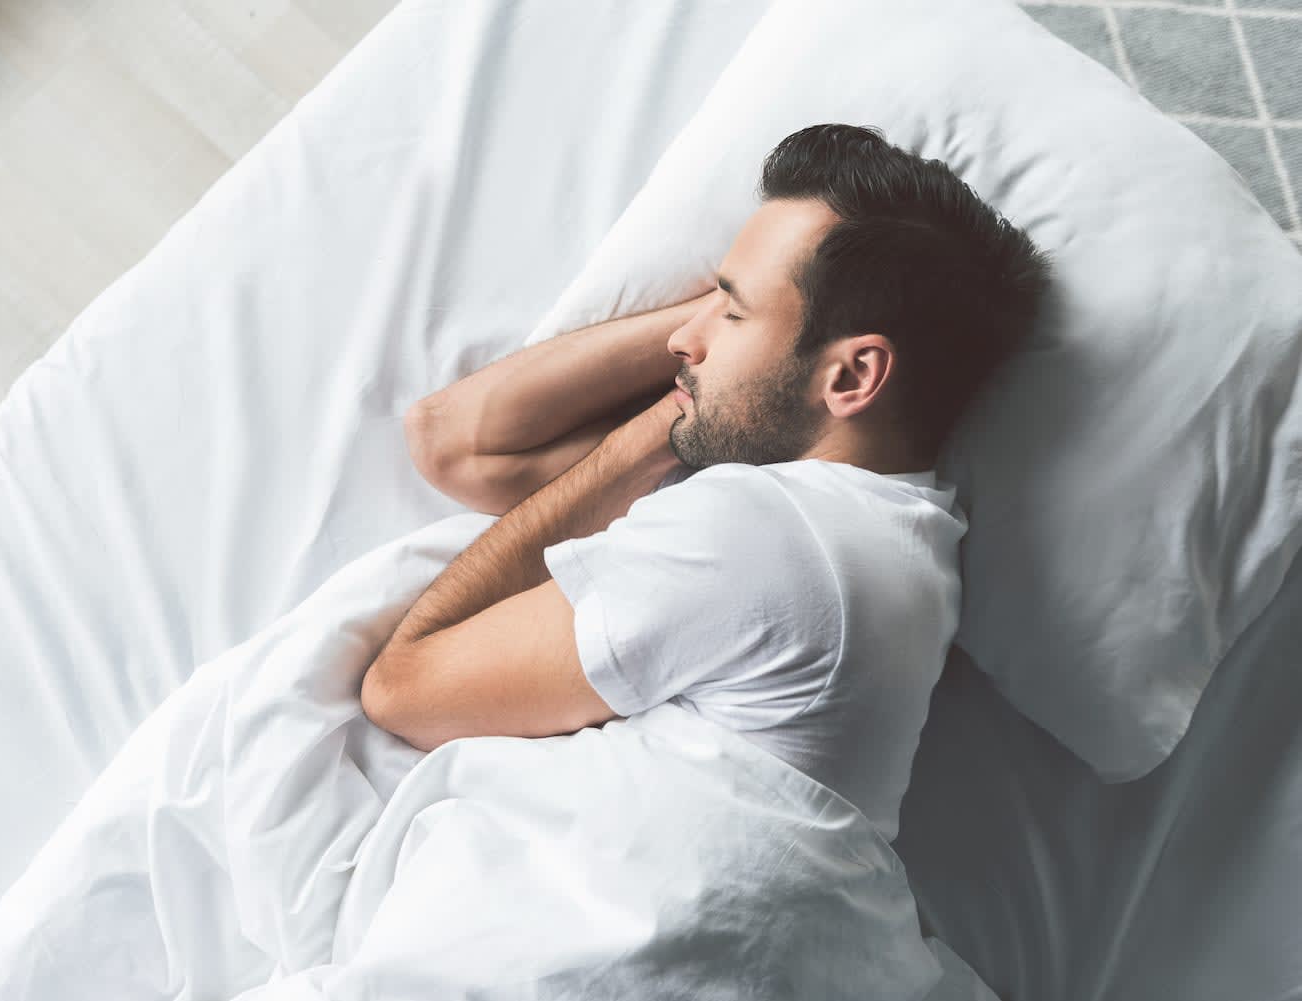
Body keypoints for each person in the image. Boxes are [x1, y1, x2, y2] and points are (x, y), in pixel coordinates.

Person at [365, 123, 1054, 844]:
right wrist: (723, 369)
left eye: (730, 309)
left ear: (851, 375)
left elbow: (402, 688)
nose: (679, 340)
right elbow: (452, 438)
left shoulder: (761, 535)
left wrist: (691, 402)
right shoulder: (889, 537)